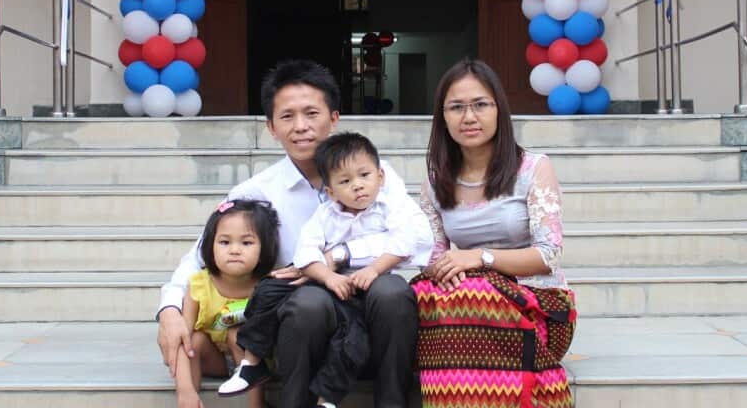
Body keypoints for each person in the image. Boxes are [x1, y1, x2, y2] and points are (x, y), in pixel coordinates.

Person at [156, 60, 419, 408]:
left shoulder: (373, 174)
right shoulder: (256, 192)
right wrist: (171, 310)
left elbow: (413, 234)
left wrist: (338, 256)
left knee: (392, 290)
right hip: (305, 325)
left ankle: (392, 400)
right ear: (271, 127)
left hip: (372, 310)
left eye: (312, 113)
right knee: (308, 301)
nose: (301, 127)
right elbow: (202, 256)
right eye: (287, 117)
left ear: (334, 118)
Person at [219, 132, 432, 408]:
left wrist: (373, 268)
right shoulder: (326, 214)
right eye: (345, 181)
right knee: (276, 290)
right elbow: (306, 252)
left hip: (373, 287)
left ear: (381, 176)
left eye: (364, 176)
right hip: (332, 288)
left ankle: (382, 400)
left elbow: (406, 242)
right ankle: (253, 361)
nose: (358, 186)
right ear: (330, 191)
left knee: (392, 292)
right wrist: (328, 276)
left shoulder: (391, 206)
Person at [413, 58, 576, 408]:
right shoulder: (434, 179)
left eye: (480, 105)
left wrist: (480, 259)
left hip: (538, 305)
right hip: (465, 302)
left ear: (499, 110)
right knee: (421, 298)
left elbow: (548, 255)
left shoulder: (533, 168)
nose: (468, 117)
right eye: (456, 107)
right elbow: (433, 257)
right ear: (442, 117)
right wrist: (449, 273)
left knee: (472, 296)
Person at [173, 200, 279, 408]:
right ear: (210, 246)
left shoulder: (268, 285)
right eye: (224, 242)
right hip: (217, 360)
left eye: (246, 243)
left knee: (237, 334)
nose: (234, 250)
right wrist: (184, 390)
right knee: (193, 339)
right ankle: (190, 400)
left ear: (264, 248)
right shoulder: (199, 285)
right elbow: (181, 340)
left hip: (260, 361)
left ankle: (256, 404)